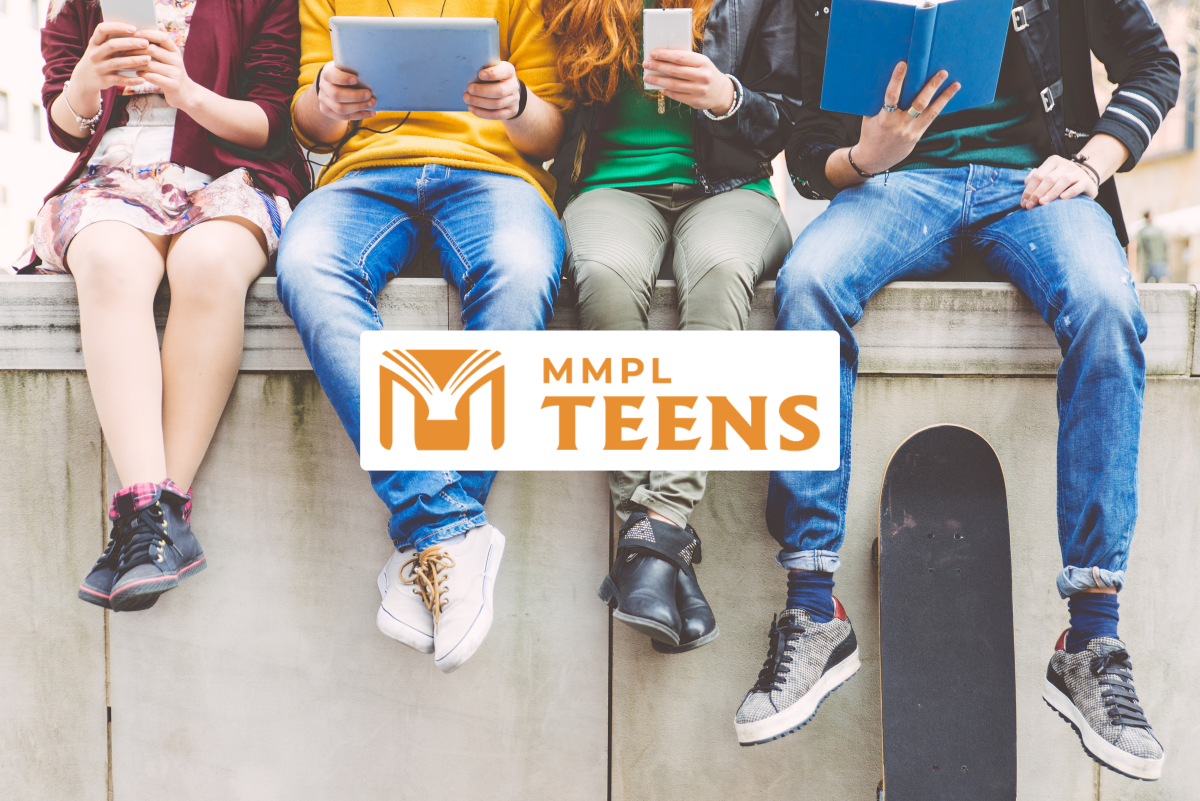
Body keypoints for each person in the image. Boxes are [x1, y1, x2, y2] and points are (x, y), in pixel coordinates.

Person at [735, 0, 1179, 781]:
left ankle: (1091, 638)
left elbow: (1154, 64)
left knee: (1110, 309)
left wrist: (1091, 162)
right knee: (806, 286)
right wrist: (867, 154)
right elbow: (810, 158)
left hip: (1037, 190)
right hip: (898, 190)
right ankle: (813, 607)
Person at [276, 0, 567, 674]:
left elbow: (549, 131)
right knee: (307, 266)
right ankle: (450, 527)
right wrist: (328, 99)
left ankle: (430, 538)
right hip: (363, 177)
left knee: (521, 274)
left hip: (497, 177)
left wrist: (515, 102)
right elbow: (310, 127)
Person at [19, 0, 308, 612]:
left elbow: (273, 120)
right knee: (108, 263)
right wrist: (85, 81)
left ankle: (147, 524)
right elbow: (65, 125)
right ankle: (154, 518)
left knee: (208, 264)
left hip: (230, 171)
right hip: (113, 178)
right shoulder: (81, 4)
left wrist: (186, 91)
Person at [544, 0, 797, 653]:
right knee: (601, 276)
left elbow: (789, 118)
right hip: (608, 186)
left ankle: (657, 522)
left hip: (733, 190)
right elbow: (546, 110)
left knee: (718, 272)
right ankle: (659, 549)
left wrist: (725, 98)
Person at [1136, 210, 1169, 282]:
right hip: (1159, 261)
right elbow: (1165, 247)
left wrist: (1138, 264)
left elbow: (1139, 249)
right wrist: (1167, 261)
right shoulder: (1160, 231)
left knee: (1145, 283)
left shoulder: (1142, 232)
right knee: (1158, 284)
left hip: (1148, 263)